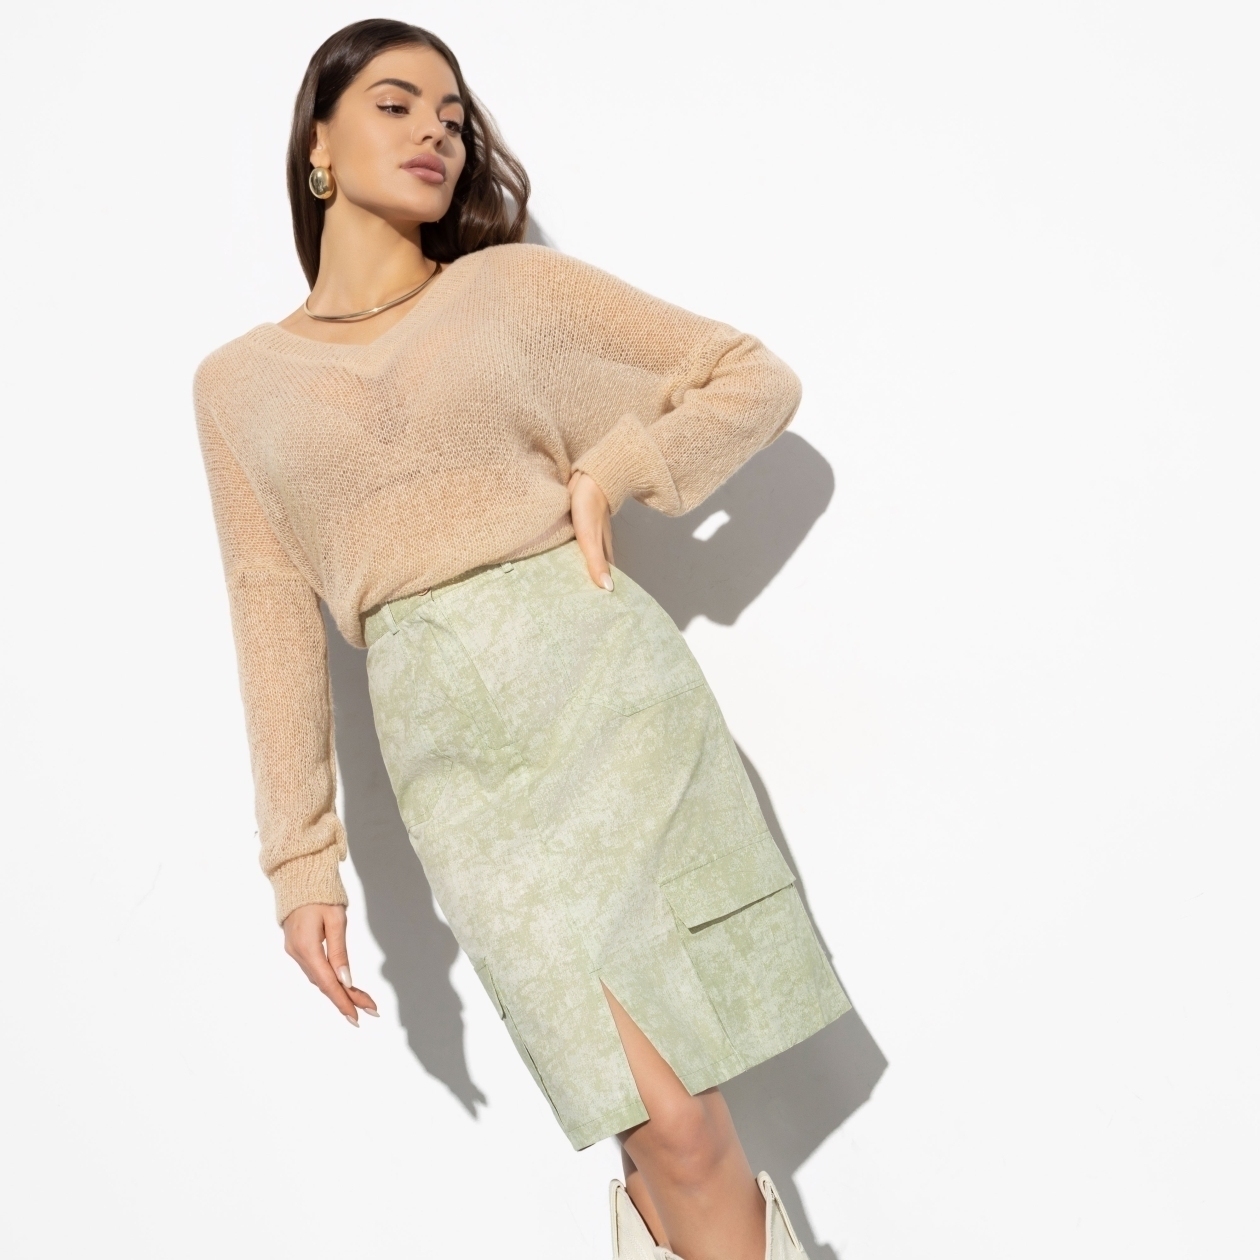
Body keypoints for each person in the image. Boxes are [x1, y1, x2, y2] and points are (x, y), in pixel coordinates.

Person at [195, 19, 849, 1260]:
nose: (436, 133)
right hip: (456, 769)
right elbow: (266, 610)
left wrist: (619, 468)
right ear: (318, 142)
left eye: (453, 117)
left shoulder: (507, 292)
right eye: (397, 105)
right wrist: (302, 864)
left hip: (608, 701)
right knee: (643, 1125)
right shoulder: (237, 385)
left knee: (683, 1129)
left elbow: (749, 376)